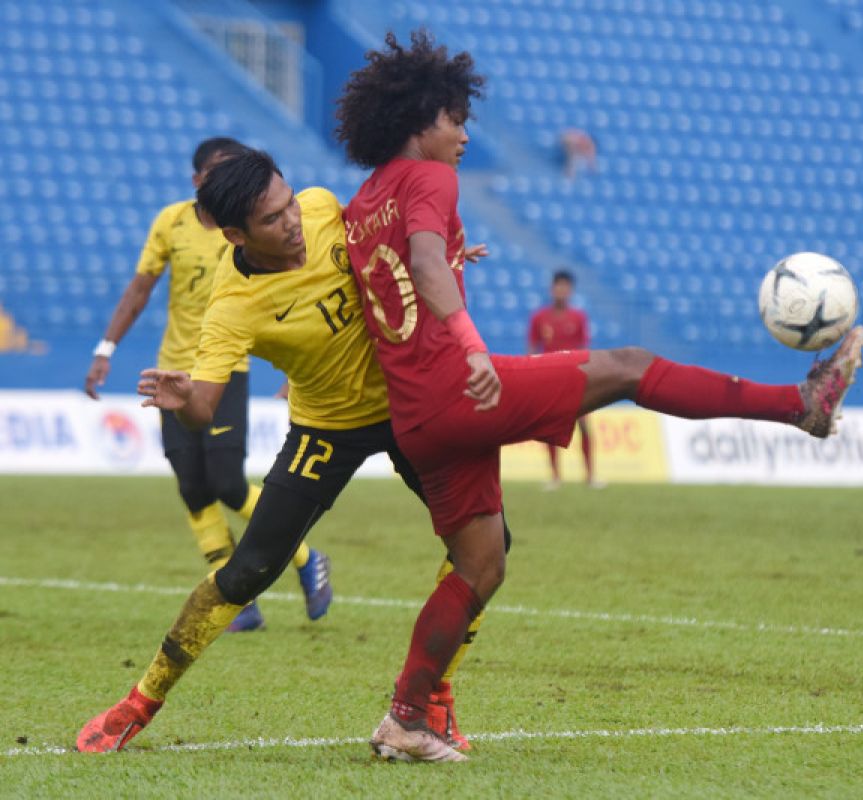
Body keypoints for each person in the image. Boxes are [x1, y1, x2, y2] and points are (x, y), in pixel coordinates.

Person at [336, 30, 863, 763]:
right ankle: (799, 405)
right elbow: (425, 260)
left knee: (481, 564)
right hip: (456, 385)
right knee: (628, 365)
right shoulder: (431, 179)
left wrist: (453, 269)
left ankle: (405, 720)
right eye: (457, 119)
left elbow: (399, 274)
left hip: (414, 416)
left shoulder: (361, 200)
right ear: (421, 119)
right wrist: (464, 339)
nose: (463, 135)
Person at [75, 150, 507, 754]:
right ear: (235, 235)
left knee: (487, 548)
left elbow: (388, 252)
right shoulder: (233, 305)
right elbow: (204, 406)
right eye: (273, 218)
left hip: (410, 404)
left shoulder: (324, 207)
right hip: (327, 426)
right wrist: (187, 400)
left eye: (289, 201)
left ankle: (432, 694)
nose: (293, 220)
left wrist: (446, 259)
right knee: (249, 569)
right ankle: (139, 702)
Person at [82, 137, 328, 632]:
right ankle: (236, 598)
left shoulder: (249, 229)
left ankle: (304, 557)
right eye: (218, 172)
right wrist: (105, 350)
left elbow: (290, 295)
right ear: (197, 181)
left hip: (225, 370)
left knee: (227, 483)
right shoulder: (171, 222)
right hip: (173, 372)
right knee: (193, 486)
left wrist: (293, 367)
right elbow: (140, 288)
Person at [527, 270, 600, 488]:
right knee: (550, 428)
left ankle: (590, 476)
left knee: (584, 425)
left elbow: (584, 349)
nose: (561, 290)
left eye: (565, 286)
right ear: (552, 289)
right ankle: (555, 476)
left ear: (570, 290)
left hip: (574, 378)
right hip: (549, 378)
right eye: (558, 286)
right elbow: (532, 348)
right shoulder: (540, 317)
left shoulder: (578, 317)